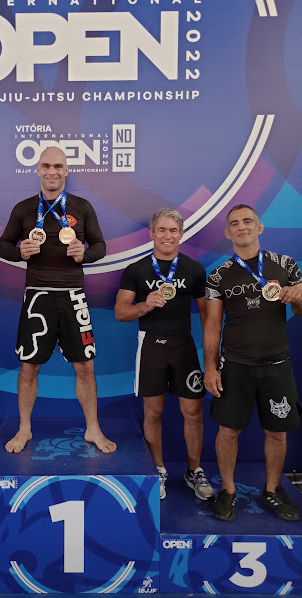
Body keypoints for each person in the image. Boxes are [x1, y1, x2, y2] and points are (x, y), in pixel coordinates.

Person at [0, 146, 116, 454]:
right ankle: (24, 428)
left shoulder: (82, 206)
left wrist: (84, 254)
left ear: (66, 170)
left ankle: (92, 428)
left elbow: (100, 245)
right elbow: (3, 245)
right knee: (28, 367)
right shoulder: (24, 208)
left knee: (85, 366)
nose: (52, 171)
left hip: (73, 295)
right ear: (38, 169)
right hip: (37, 295)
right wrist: (19, 252)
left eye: (58, 166)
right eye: (47, 166)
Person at [204, 204, 302, 521]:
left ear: (259, 227)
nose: (242, 226)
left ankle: (272, 489)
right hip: (235, 366)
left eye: (248, 221)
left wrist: (298, 295)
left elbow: (300, 310)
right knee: (228, 431)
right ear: (227, 232)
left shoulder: (286, 265)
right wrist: (210, 367)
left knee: (277, 433)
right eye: (235, 223)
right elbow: (212, 325)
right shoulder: (218, 276)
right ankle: (228, 490)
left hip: (277, 365)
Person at [115, 209, 214, 501]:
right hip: (151, 346)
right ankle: (157, 470)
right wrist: (145, 305)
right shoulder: (136, 270)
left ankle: (194, 470)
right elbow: (121, 312)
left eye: (173, 230)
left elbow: (208, 316)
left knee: (193, 412)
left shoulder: (194, 269)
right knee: (153, 412)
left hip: (184, 346)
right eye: (162, 230)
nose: (167, 236)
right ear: (152, 234)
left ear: (181, 234)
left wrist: (213, 354)